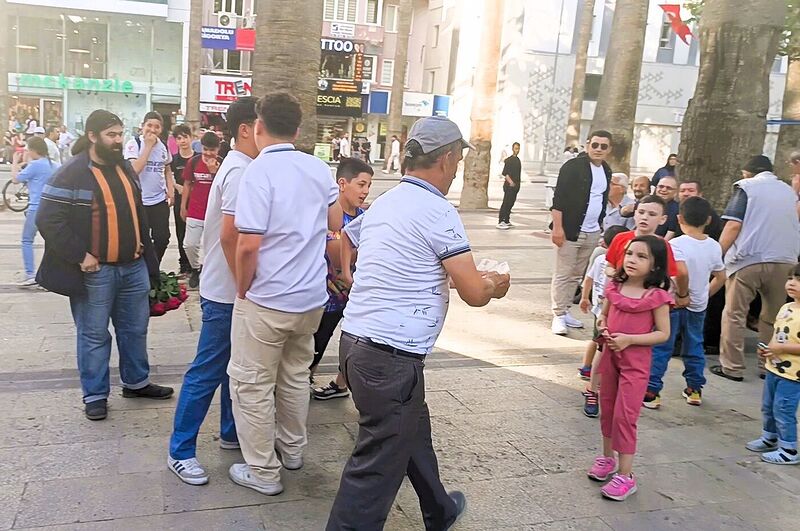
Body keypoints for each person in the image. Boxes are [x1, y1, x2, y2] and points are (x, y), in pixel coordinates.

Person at [326, 116, 509, 530]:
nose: (458, 169)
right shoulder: (436, 211)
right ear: (445, 158)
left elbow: (346, 239)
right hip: (390, 359)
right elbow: (474, 293)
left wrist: (349, 274)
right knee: (374, 470)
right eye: (459, 160)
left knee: (410, 430)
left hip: (357, 346)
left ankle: (438, 510)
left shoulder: (388, 201)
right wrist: (497, 281)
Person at [227, 92, 341, 496]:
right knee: (294, 376)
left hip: (268, 299)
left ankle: (262, 471)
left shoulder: (258, 172)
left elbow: (247, 244)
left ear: (258, 126)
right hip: (310, 298)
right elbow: (334, 220)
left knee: (252, 384)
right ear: (297, 129)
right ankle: (292, 450)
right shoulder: (317, 167)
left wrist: (243, 288)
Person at [35, 110, 173, 421]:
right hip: (97, 272)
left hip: (133, 267)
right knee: (94, 334)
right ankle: (95, 395)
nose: (118, 140)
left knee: (135, 329)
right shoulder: (72, 172)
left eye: (120, 134)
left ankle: (136, 382)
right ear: (93, 136)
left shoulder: (124, 167)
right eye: (111, 135)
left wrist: (147, 259)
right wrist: (80, 255)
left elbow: (137, 213)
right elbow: (48, 219)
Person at [167, 97, 260, 485]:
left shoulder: (241, 166)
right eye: (262, 126)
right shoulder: (239, 171)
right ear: (245, 129)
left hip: (226, 287)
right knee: (208, 369)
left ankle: (229, 432)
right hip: (226, 291)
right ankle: (180, 450)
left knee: (228, 367)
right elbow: (231, 236)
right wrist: (243, 284)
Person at [587, 235, 672, 501]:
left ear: (656, 265)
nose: (633, 260)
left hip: (635, 365)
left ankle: (626, 475)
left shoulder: (656, 297)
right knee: (608, 409)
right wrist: (603, 325)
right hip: (611, 359)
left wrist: (630, 340)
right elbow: (604, 314)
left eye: (642, 256)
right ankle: (607, 458)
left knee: (626, 415)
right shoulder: (615, 286)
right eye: (630, 254)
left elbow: (663, 334)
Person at [712, 155, 800, 382]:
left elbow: (733, 225)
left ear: (747, 172)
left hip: (747, 260)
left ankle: (732, 367)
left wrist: (715, 254)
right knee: (773, 316)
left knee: (734, 314)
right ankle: (767, 363)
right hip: (784, 260)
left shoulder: (746, 187)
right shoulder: (789, 192)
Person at [644, 197, 726, 409]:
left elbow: (680, 272)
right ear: (708, 220)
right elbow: (721, 276)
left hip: (672, 304)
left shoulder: (675, 244)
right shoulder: (714, 246)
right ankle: (695, 389)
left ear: (679, 218)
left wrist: (682, 295)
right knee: (694, 346)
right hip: (698, 307)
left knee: (662, 346)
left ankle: (652, 391)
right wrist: (704, 295)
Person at [310, 158, 373, 400]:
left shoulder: (364, 217)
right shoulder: (330, 214)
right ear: (342, 184)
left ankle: (340, 383)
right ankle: (305, 377)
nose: (365, 191)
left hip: (356, 295)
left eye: (369, 185)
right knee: (318, 341)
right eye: (361, 184)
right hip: (328, 297)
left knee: (357, 342)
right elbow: (336, 254)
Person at [549, 130, 612, 335]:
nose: (598, 149)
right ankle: (558, 314)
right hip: (570, 230)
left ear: (608, 149)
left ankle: (566, 310)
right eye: (595, 145)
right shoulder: (573, 167)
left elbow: (601, 199)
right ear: (587, 145)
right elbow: (558, 199)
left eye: (603, 146)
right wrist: (558, 228)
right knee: (563, 273)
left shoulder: (607, 170)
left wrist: (601, 226)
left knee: (576, 274)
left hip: (593, 231)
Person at [746, 264, 800, 465]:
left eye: (799, 280)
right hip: (774, 368)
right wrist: (768, 349)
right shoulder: (786, 308)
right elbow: (778, 335)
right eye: (791, 278)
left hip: (794, 374)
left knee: (783, 408)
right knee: (768, 406)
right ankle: (770, 437)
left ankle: (789, 449)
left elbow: (785, 344)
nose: (792, 283)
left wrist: (782, 348)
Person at [578, 225, 629, 418]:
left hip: (614, 312)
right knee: (600, 344)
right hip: (602, 312)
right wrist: (585, 298)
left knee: (599, 344)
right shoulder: (602, 260)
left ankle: (589, 370)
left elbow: (588, 280)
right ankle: (591, 379)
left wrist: (585, 297)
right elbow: (589, 279)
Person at [124, 111, 174, 265]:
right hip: (139, 201)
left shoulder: (163, 146)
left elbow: (166, 168)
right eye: (149, 126)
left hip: (159, 200)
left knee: (162, 238)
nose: (152, 130)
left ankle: (152, 266)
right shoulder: (134, 144)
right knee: (139, 240)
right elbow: (134, 170)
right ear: (142, 126)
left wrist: (170, 190)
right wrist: (148, 147)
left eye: (157, 127)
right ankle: (141, 270)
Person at [181, 131, 223, 289]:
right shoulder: (193, 162)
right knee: (189, 245)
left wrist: (214, 173)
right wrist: (183, 206)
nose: (208, 153)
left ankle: (209, 272)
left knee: (212, 247)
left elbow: (224, 188)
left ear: (218, 149)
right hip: (195, 210)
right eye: (206, 149)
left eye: (212, 150)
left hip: (214, 213)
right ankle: (195, 269)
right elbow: (187, 184)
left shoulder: (223, 164)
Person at [11, 137, 54, 286]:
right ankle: (48, 276)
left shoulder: (35, 165)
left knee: (27, 240)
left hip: (36, 208)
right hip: (52, 209)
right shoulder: (55, 165)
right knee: (51, 243)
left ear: (34, 150)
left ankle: (30, 274)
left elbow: (16, 179)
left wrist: (15, 161)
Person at [170, 124, 194, 276]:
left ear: (191, 138)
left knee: (195, 233)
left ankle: (194, 263)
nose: (183, 141)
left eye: (185, 137)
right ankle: (184, 264)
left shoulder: (198, 157)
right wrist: (177, 187)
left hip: (197, 200)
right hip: (180, 200)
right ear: (176, 141)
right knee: (181, 232)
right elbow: (168, 176)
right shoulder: (173, 160)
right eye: (179, 138)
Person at [497, 142, 522, 229]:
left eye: (518, 148)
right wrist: (511, 182)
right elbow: (505, 173)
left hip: (516, 186)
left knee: (511, 203)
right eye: (515, 148)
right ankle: (501, 220)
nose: (517, 150)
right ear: (512, 149)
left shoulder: (518, 160)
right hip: (509, 186)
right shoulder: (509, 160)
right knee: (506, 203)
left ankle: (507, 220)